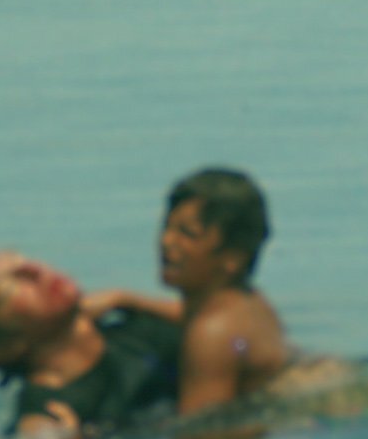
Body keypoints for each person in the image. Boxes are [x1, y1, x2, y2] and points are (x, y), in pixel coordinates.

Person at [80, 167, 299, 418]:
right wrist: (125, 299)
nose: (167, 241)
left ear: (233, 258)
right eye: (167, 227)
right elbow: (190, 315)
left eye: (187, 234)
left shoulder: (213, 334)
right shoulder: (246, 303)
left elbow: (204, 436)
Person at [0, 249, 184, 439]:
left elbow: (213, 318)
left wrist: (126, 299)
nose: (38, 271)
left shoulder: (130, 323)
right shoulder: (53, 414)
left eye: (27, 262)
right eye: (14, 283)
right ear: (7, 346)